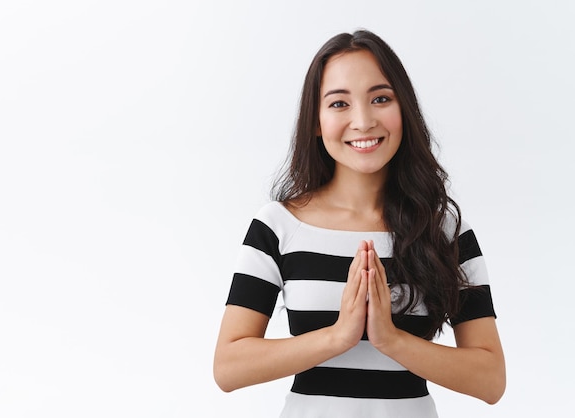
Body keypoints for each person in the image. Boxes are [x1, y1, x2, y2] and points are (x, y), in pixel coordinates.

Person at [213, 29, 505, 417]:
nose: (363, 121)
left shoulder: (445, 230)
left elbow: (490, 380)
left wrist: (391, 340)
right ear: (316, 121)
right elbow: (228, 367)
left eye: (380, 99)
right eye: (339, 104)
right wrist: (337, 337)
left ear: (404, 110)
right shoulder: (279, 226)